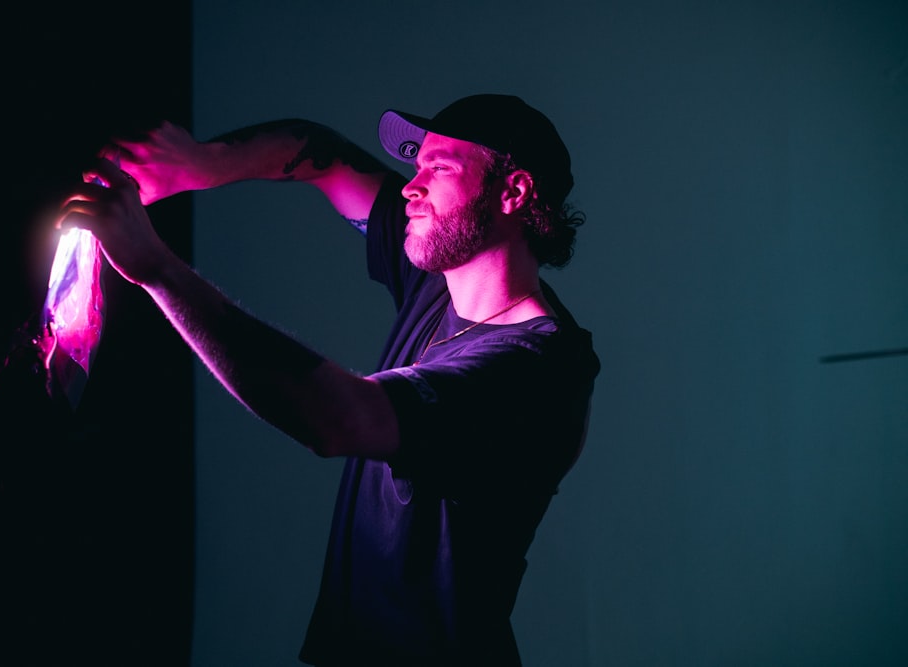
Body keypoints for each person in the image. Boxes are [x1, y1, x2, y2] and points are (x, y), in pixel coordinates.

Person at [58, 93, 601, 666]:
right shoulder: (438, 283)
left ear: (513, 193)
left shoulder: (540, 368)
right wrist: (200, 164)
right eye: (417, 165)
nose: (411, 187)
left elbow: (338, 417)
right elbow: (327, 158)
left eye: (439, 168)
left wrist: (157, 269)